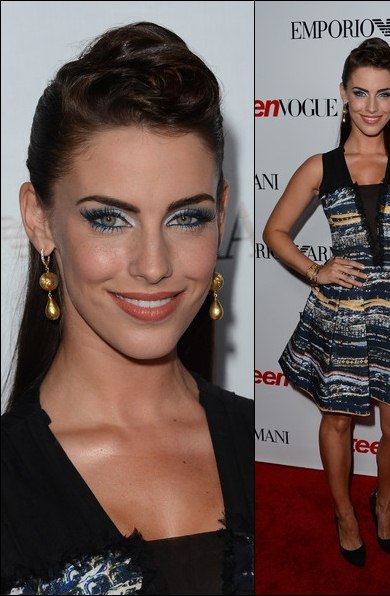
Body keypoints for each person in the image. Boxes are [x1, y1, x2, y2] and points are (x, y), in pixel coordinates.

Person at [1, 22, 253, 595]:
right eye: (109, 219)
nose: (154, 265)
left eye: (186, 217)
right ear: (40, 220)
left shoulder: (271, 449)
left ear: (220, 215)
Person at [262, 37, 390, 567]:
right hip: (341, 319)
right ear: (343, 94)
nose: (371, 106)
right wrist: (315, 270)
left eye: (383, 94)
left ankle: (382, 503)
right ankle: (345, 514)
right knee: (339, 421)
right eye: (360, 92)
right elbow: (275, 231)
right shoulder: (321, 167)